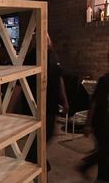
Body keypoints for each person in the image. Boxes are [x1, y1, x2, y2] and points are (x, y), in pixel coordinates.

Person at [8, 34, 69, 170]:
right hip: (33, 109)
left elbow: (59, 79)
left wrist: (64, 101)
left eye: (47, 38)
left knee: (46, 136)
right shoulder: (30, 58)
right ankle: (41, 169)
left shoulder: (53, 57)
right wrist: (9, 110)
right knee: (36, 141)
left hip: (50, 107)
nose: (46, 42)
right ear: (35, 43)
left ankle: (38, 164)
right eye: (42, 39)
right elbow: (19, 85)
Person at [78, 73, 109, 181]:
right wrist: (88, 124)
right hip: (100, 122)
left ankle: (103, 175)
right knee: (105, 149)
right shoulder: (104, 80)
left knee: (104, 148)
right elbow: (94, 103)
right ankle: (85, 165)